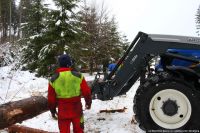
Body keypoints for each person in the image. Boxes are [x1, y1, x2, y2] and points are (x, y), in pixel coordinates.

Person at [48, 54, 92, 133]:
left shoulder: (53, 79)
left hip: (63, 111)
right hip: (76, 109)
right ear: (70, 64)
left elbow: (51, 98)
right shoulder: (78, 76)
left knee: (64, 131)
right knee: (79, 130)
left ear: (60, 64)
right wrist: (88, 102)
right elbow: (86, 91)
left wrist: (53, 110)